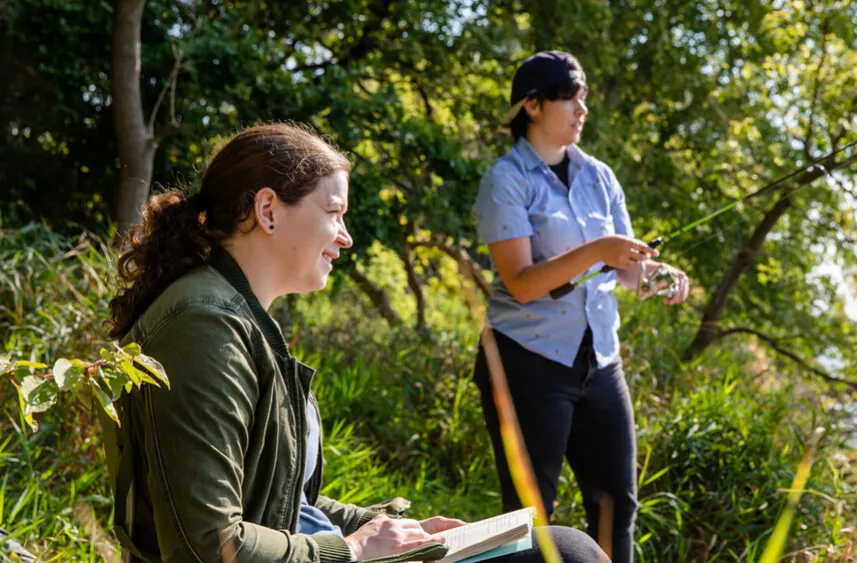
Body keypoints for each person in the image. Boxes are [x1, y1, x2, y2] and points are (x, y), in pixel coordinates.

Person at [101, 123, 608, 563]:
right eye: (334, 212)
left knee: (563, 549)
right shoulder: (205, 324)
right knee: (567, 554)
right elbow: (205, 546)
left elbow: (287, 503)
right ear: (268, 211)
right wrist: (358, 549)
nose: (345, 237)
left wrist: (393, 530)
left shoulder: (236, 315)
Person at [472, 52, 691, 563]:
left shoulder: (600, 177)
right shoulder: (504, 180)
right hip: (526, 363)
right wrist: (598, 250)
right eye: (569, 96)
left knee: (618, 503)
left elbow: (628, 267)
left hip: (600, 363)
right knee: (528, 517)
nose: (581, 108)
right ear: (531, 104)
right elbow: (522, 284)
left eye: (584, 97)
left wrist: (662, 279)